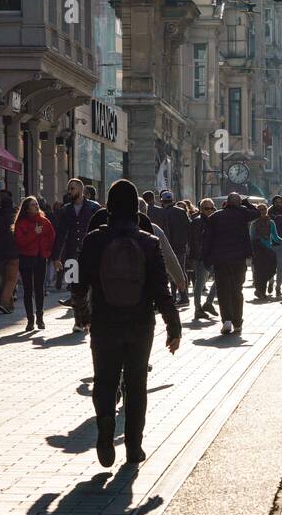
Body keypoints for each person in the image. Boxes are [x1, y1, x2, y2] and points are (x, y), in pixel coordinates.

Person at [78, 179, 181, 467]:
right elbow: (161, 290)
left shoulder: (94, 240)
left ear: (109, 206)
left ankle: (105, 425)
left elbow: (78, 283)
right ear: (136, 208)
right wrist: (174, 328)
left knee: (105, 380)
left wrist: (83, 316)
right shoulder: (148, 243)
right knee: (136, 385)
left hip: (104, 321)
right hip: (140, 323)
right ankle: (133, 448)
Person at [201, 192, 255, 335]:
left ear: (226, 203)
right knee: (237, 290)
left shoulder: (214, 217)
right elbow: (257, 212)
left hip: (220, 260)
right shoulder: (242, 214)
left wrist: (206, 258)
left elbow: (207, 239)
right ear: (238, 203)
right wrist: (246, 203)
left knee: (223, 290)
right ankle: (237, 322)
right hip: (238, 259)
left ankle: (227, 321)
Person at [53, 179, 101, 330]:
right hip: (71, 255)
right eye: (69, 189)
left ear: (80, 190)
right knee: (74, 289)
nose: (70, 192)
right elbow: (60, 234)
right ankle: (79, 322)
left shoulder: (94, 208)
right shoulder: (65, 210)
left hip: (90, 254)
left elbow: (101, 231)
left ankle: (87, 320)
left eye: (72, 189)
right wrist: (56, 257)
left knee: (88, 289)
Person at [13, 196, 56, 332]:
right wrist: (34, 233)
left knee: (39, 288)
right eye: (33, 205)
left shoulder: (44, 221)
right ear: (27, 208)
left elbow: (52, 237)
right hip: (26, 257)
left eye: (36, 204)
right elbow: (20, 242)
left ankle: (40, 318)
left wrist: (47, 252)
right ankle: (30, 320)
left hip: (40, 258)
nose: (36, 206)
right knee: (27, 289)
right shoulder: (21, 223)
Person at [150, 191, 191, 305]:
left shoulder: (162, 213)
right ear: (173, 200)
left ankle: (174, 296)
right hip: (181, 245)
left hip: (169, 244)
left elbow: (165, 229)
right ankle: (184, 295)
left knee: (170, 270)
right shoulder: (182, 211)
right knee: (180, 269)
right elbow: (188, 228)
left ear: (162, 201)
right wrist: (188, 243)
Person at [189, 198, 218, 321]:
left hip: (213, 256)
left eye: (212, 208)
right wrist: (199, 256)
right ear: (201, 209)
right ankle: (198, 309)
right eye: (207, 208)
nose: (210, 211)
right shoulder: (196, 222)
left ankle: (208, 303)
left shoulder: (215, 221)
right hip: (201, 257)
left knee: (220, 278)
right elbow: (194, 241)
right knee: (199, 283)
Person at [250, 203, 282, 299]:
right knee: (259, 272)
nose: (262, 211)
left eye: (264, 209)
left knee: (270, 270)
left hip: (268, 251)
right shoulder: (254, 223)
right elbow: (251, 238)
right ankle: (260, 291)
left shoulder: (271, 222)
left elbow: (275, 237)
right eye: (260, 209)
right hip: (258, 251)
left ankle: (261, 290)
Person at [269, 196, 282, 297]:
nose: (278, 204)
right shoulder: (268, 213)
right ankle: (271, 281)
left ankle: (278, 288)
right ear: (273, 203)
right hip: (270, 243)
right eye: (276, 202)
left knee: (280, 267)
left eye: (280, 202)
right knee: (271, 266)